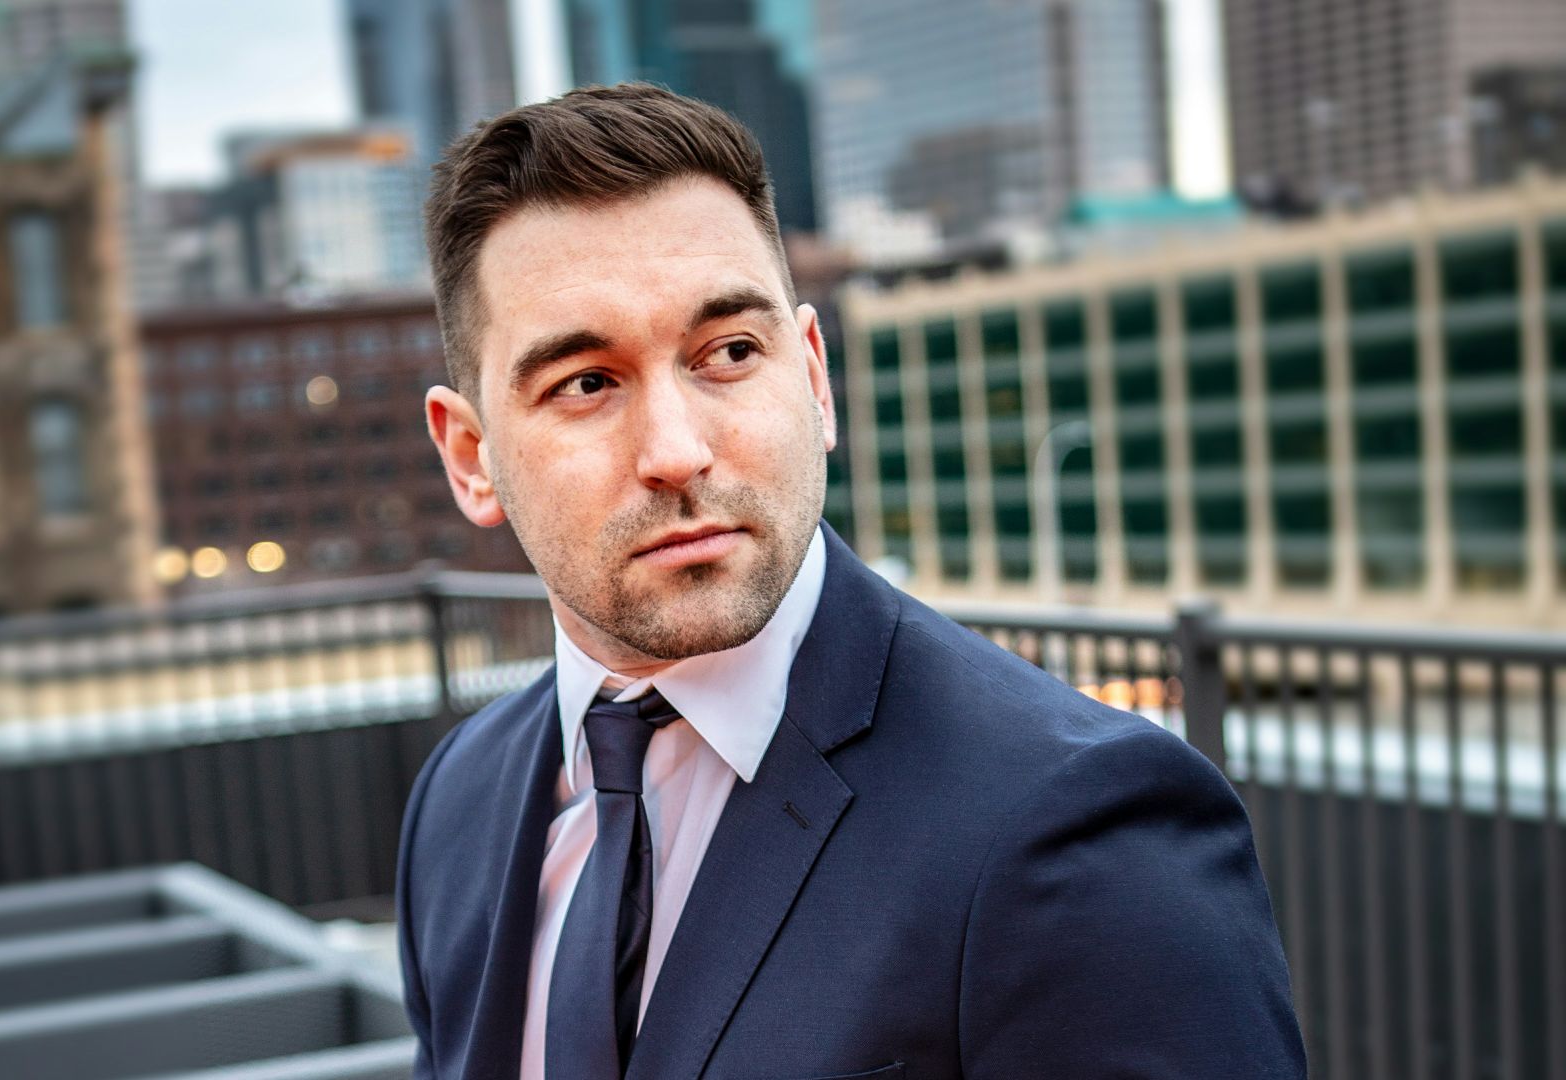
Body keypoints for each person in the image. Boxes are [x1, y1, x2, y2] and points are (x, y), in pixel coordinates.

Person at [399, 83, 1304, 1080]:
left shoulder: (1075, 825)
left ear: (815, 381)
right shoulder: (460, 801)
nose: (677, 450)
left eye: (730, 352)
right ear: (472, 457)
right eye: (586, 383)